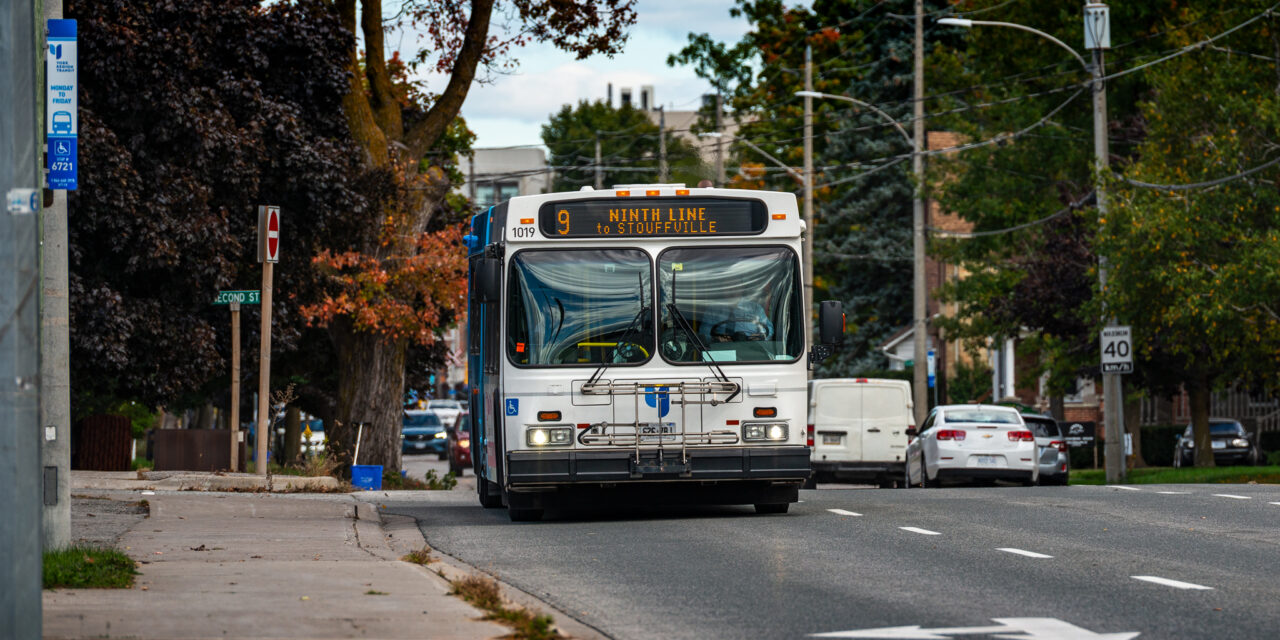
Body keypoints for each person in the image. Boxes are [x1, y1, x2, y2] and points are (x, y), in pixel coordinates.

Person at [699, 299, 773, 344]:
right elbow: (704, 333)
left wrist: (762, 336)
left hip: (751, 350)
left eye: (735, 285)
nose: (732, 289)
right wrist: (714, 339)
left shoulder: (755, 308)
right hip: (721, 351)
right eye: (729, 285)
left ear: (741, 287)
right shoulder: (713, 309)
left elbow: (769, 329)